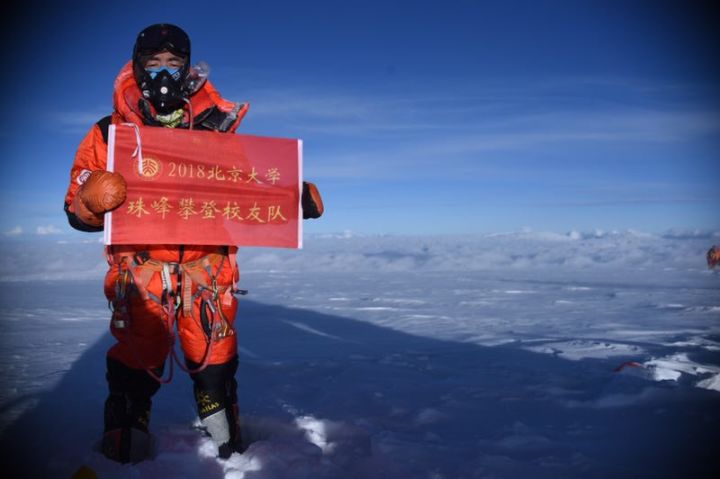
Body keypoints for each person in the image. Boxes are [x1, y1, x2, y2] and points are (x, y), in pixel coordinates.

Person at [63, 23, 323, 464]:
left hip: (207, 269)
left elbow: (246, 187)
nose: (164, 72)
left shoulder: (216, 130)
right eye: (153, 63)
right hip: (140, 269)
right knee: (136, 352)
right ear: (138, 67)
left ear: (187, 69)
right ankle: (127, 426)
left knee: (214, 350)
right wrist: (89, 203)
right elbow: (76, 203)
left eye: (173, 63)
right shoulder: (109, 134)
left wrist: (292, 197)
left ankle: (220, 420)